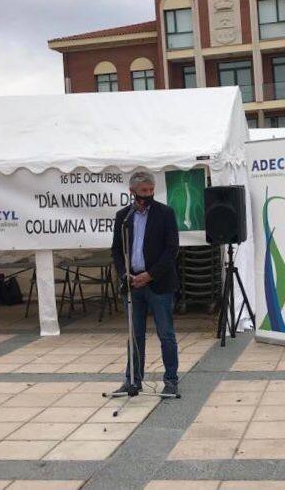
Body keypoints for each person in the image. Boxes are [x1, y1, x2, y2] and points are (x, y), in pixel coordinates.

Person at [110, 170, 181, 398]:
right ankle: (133, 380)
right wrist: (125, 274)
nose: (148, 195)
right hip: (132, 285)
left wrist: (149, 275)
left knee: (166, 334)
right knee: (135, 334)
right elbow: (116, 250)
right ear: (132, 192)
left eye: (151, 191)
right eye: (143, 191)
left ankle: (170, 380)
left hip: (158, 283)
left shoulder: (165, 213)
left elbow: (172, 250)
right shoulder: (124, 217)